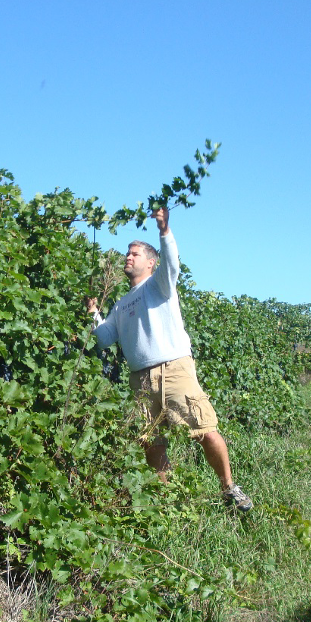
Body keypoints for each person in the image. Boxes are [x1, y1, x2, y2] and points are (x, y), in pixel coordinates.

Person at [85, 207, 253, 513]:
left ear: (151, 262)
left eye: (135, 253)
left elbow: (173, 263)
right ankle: (167, 504)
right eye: (127, 253)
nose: (128, 257)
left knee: (203, 428)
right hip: (141, 379)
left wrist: (164, 231)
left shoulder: (159, 285)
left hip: (174, 369)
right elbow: (105, 338)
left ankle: (230, 488)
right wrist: (94, 313)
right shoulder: (121, 305)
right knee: (152, 442)